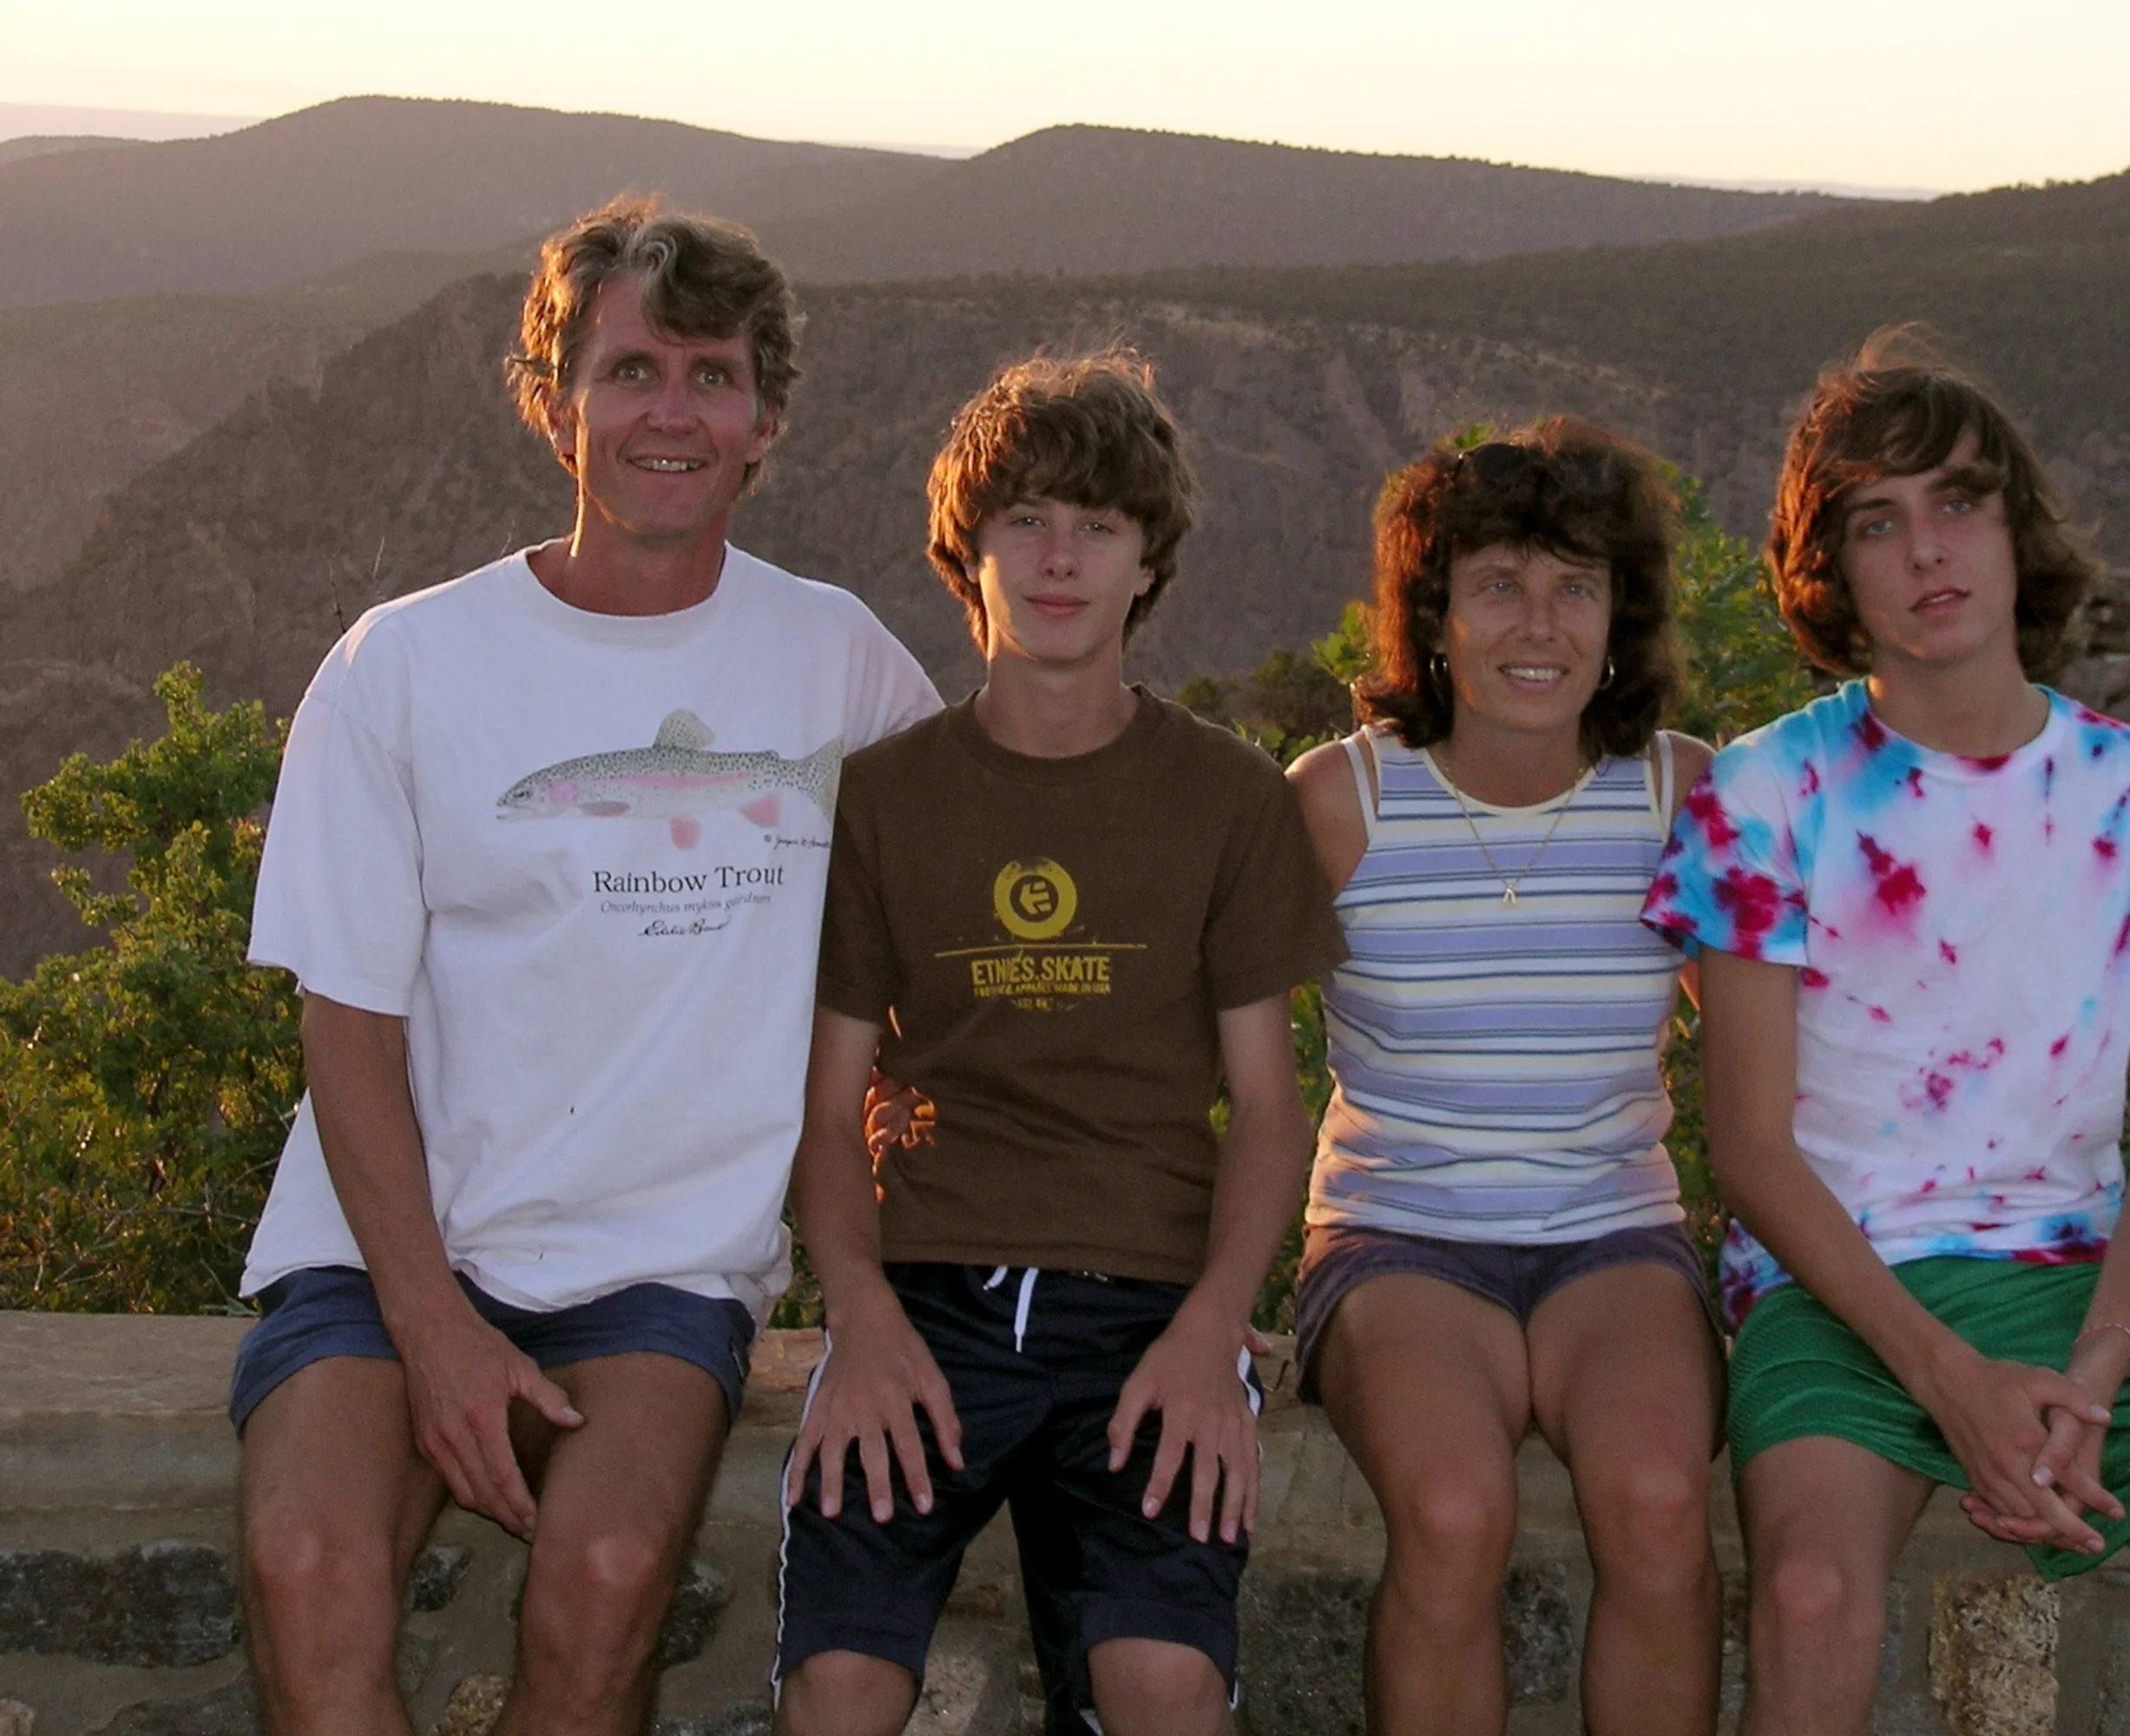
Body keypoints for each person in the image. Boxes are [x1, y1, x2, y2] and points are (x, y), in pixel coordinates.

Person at [227, 198, 941, 1736]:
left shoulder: (847, 668)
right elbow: (343, 1024)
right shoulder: (400, 667)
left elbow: (957, 969)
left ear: (764, 419)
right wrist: (432, 1328)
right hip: (386, 1247)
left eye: (711, 374)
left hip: (662, 1267)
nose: (670, 413)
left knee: (608, 1576)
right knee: (309, 1570)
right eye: (629, 371)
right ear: (553, 401)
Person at [1641, 335, 2130, 1735]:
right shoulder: (1769, 792)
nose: (1928, 549)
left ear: (2014, 529)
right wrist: (1952, 1381)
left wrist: (2092, 1375)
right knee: (1807, 1608)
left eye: (1959, 501)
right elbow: (1747, 1147)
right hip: (1836, 1293)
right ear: (1832, 570)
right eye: (1878, 521)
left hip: (2077, 1283)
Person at [774, 350, 1345, 1736]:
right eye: (1023, 520)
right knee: (839, 1690)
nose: (1060, 557)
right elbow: (826, 1093)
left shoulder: (1228, 796)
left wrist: (1216, 1327)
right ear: (964, 552)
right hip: (926, 1296)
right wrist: (855, 1315)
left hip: (1146, 1303)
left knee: (1158, 1683)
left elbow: (1271, 1106)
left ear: (1150, 563)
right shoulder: (888, 798)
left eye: (1098, 525)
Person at [1281, 420, 1726, 1736]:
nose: (1540, 622)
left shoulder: (1677, 795)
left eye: (1575, 585)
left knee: (1657, 1507)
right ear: (1434, 618)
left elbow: (1783, 1057)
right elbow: (1214, 1045)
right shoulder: (1342, 801)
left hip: (1614, 1233)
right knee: (1455, 1511)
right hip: (1398, 1237)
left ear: (1618, 615)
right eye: (1497, 585)